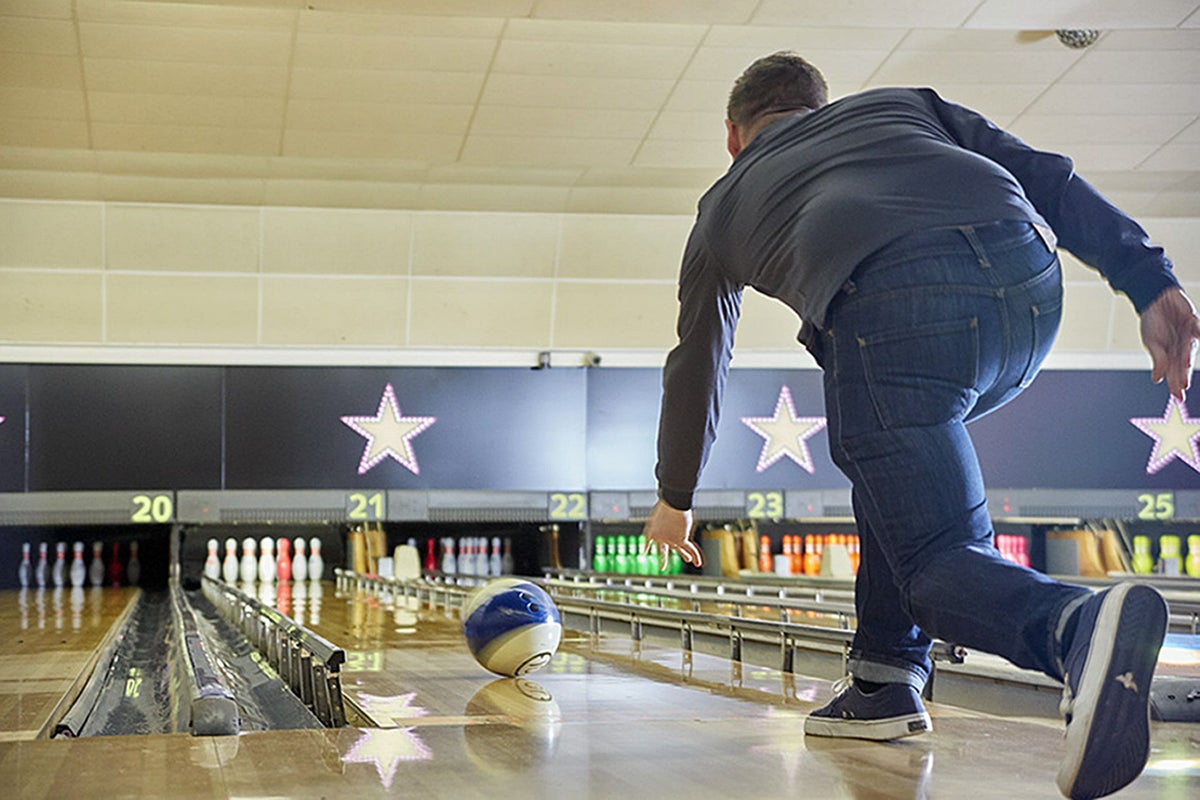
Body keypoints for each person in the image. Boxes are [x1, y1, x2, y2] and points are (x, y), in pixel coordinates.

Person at [641, 51, 1200, 800]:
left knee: (933, 559)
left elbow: (699, 360)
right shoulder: (904, 105)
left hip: (893, 305)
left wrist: (675, 493)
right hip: (1028, 291)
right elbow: (1049, 176)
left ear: (733, 137)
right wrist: (1149, 280)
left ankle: (1075, 628)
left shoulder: (722, 205)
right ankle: (882, 679)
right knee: (890, 477)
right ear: (822, 106)